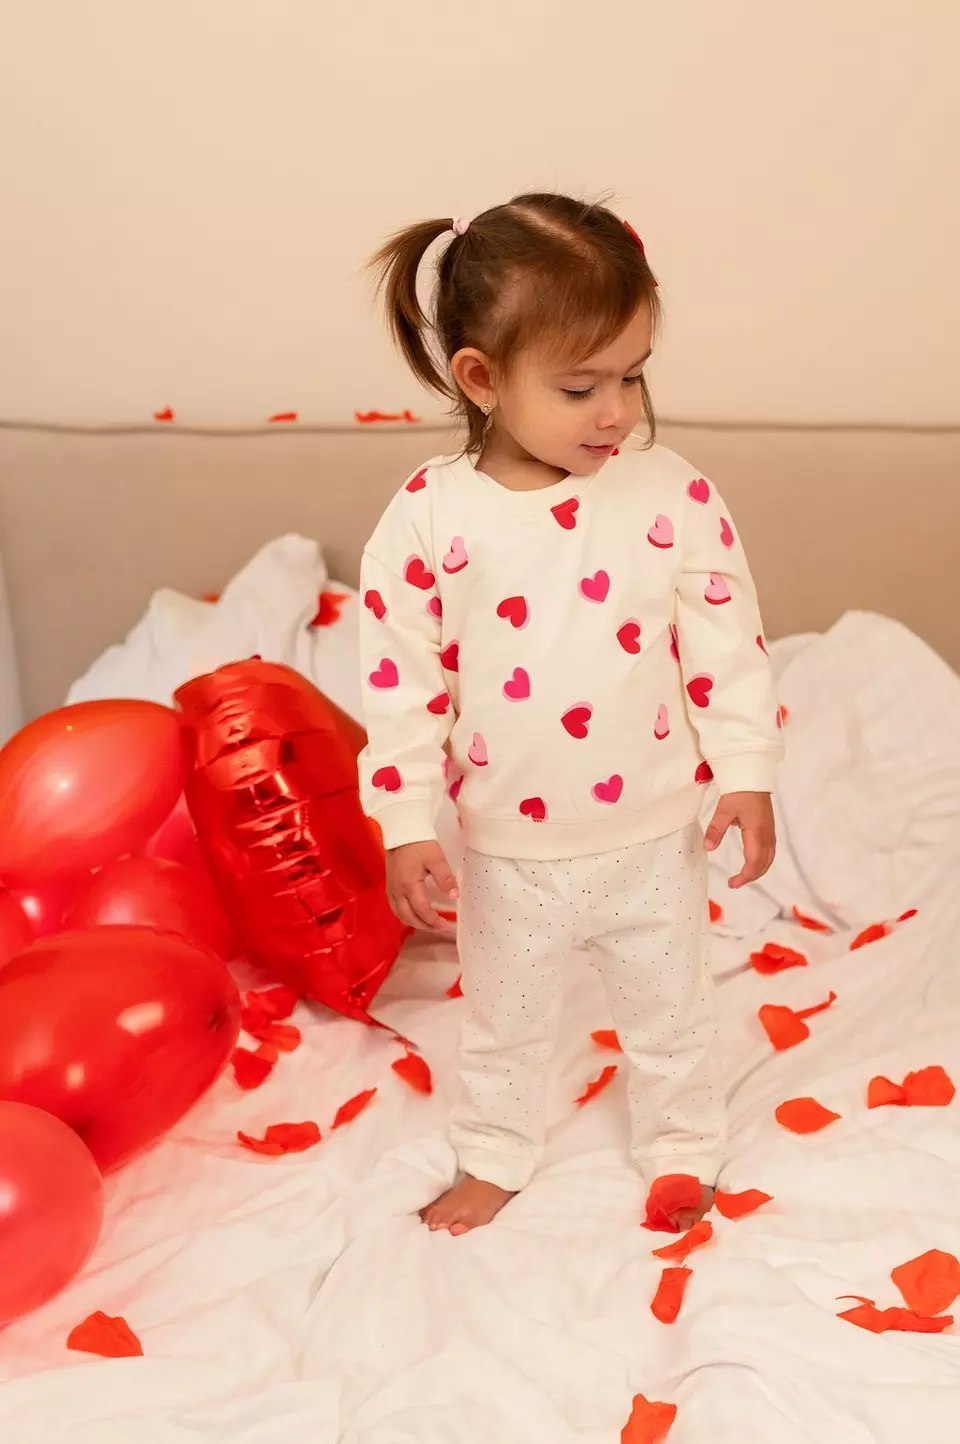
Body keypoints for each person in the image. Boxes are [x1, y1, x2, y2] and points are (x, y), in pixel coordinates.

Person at [358, 193, 782, 1236]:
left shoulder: (670, 494)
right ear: (482, 377)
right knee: (504, 1023)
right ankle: (496, 1153)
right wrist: (405, 822)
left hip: (651, 839)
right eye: (582, 385)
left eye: (633, 375)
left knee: (670, 1013)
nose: (618, 413)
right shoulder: (430, 515)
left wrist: (747, 769)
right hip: (512, 851)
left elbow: (726, 642)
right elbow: (399, 685)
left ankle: (683, 1148)